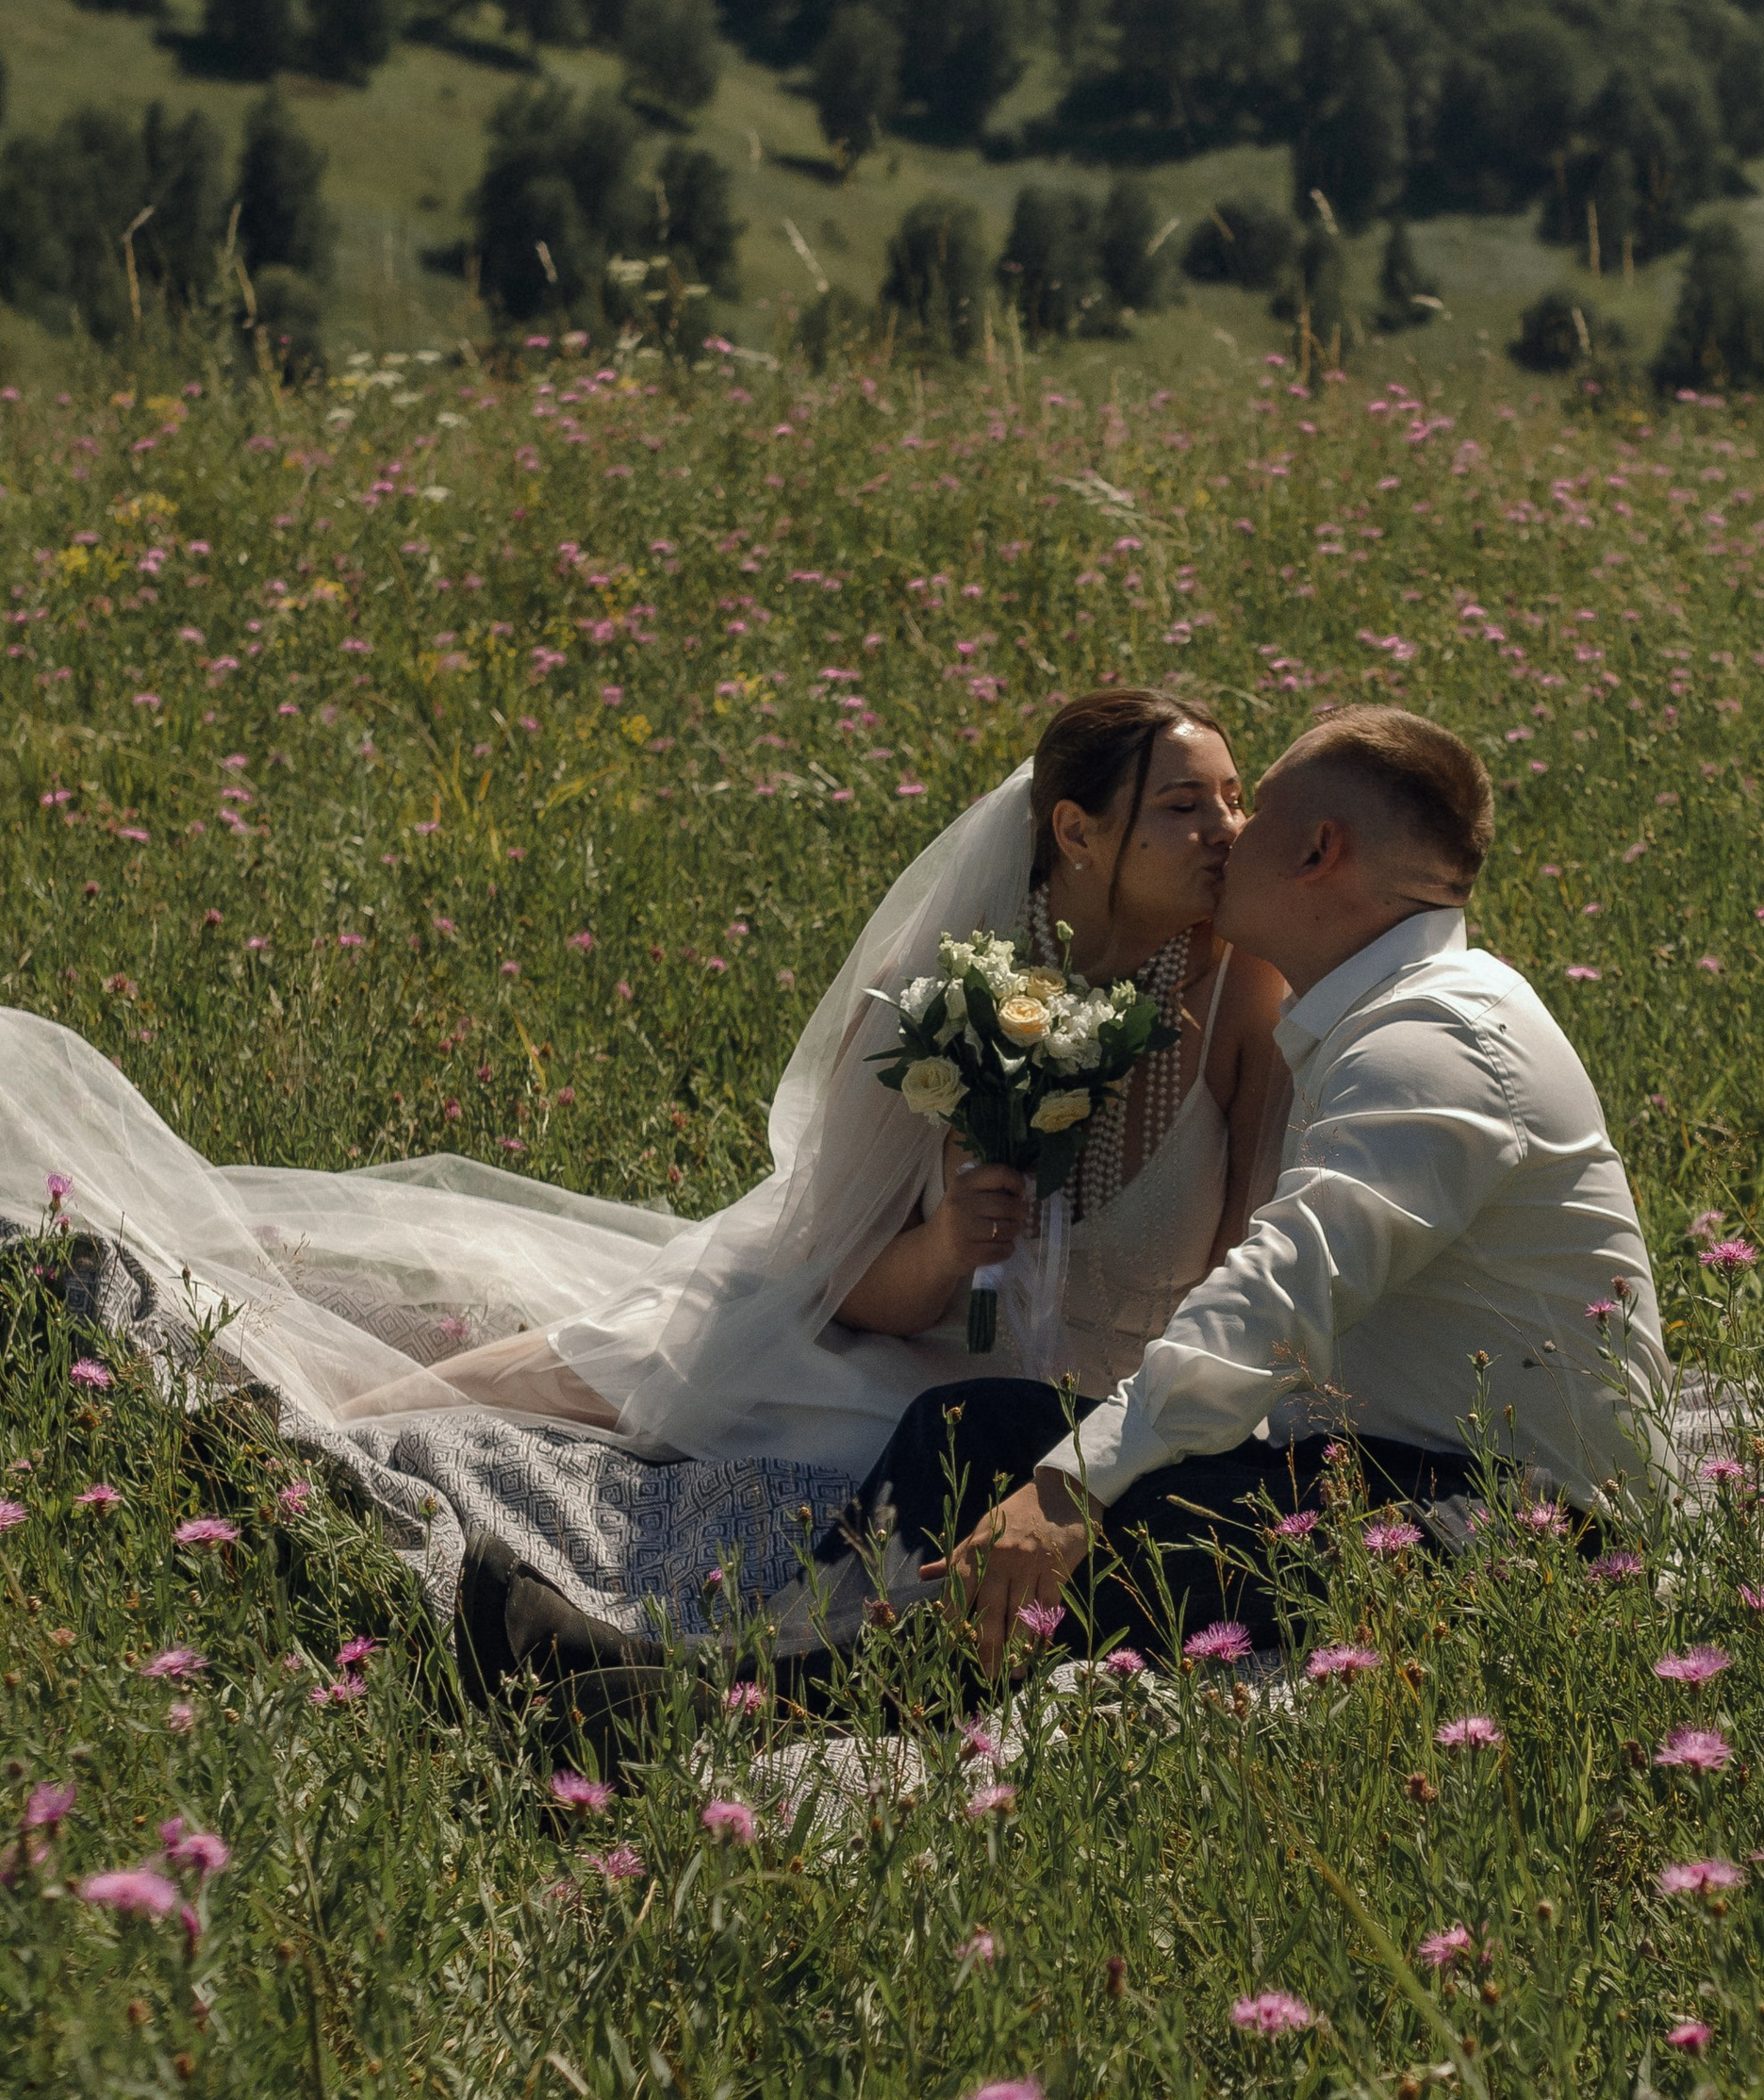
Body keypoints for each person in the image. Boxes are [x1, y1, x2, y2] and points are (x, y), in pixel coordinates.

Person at [0, 693, 1285, 1482]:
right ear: (1074, 830)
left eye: (1236, 797)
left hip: (1123, 1409)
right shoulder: (939, 999)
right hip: (891, 1350)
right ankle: (241, 1446)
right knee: (560, 1396)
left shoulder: (1246, 994)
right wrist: (953, 1246)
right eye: (1189, 805)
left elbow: (1254, 1267)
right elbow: (841, 1276)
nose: (1233, 829)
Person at [849, 705, 1672, 1670]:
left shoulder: (1440, 1041)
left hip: (1522, 1516)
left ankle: (771, 1684)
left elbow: (1276, 1296)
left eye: (1255, 809)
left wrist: (1072, 1484)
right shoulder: (1368, 1013)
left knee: (1127, 1533)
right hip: (1370, 1459)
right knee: (972, 1424)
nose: (1228, 836)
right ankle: (826, 1624)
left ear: (1319, 849)